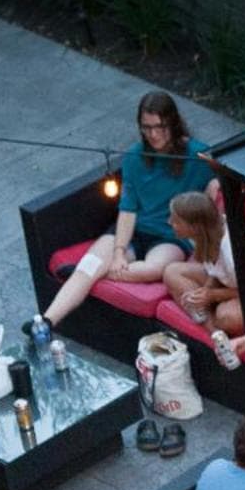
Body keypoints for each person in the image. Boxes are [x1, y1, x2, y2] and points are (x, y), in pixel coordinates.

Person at [30, 93, 216, 345]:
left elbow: (220, 180)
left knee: (152, 269)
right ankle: (45, 322)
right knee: (91, 264)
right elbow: (128, 210)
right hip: (135, 229)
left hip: (170, 236)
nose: (153, 134)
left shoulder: (196, 155)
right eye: (147, 128)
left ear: (173, 123)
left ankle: (95, 273)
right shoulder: (134, 157)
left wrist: (214, 188)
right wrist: (118, 252)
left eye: (160, 127)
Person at [158, 191, 244, 339]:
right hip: (228, 282)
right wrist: (204, 290)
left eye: (176, 221)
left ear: (194, 226)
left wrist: (212, 295)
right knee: (171, 271)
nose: (170, 222)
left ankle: (215, 322)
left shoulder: (232, 251)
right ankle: (216, 335)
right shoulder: (201, 235)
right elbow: (215, 270)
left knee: (227, 318)